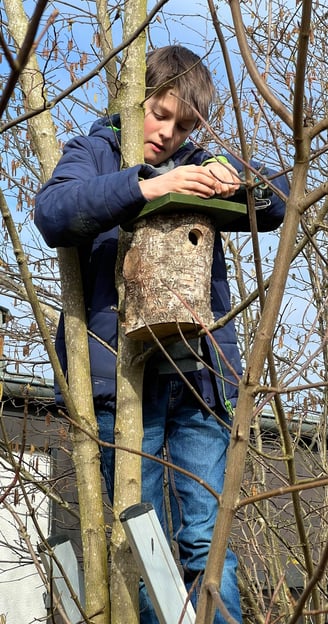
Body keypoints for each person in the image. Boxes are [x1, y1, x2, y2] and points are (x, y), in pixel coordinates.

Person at [35, 45, 288, 623]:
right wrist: (145, 185)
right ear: (134, 100)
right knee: (143, 540)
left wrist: (234, 177)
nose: (169, 134)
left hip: (199, 380)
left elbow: (276, 200)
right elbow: (52, 213)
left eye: (184, 124)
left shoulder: (199, 158)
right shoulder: (95, 151)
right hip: (124, 381)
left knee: (206, 539)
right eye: (160, 113)